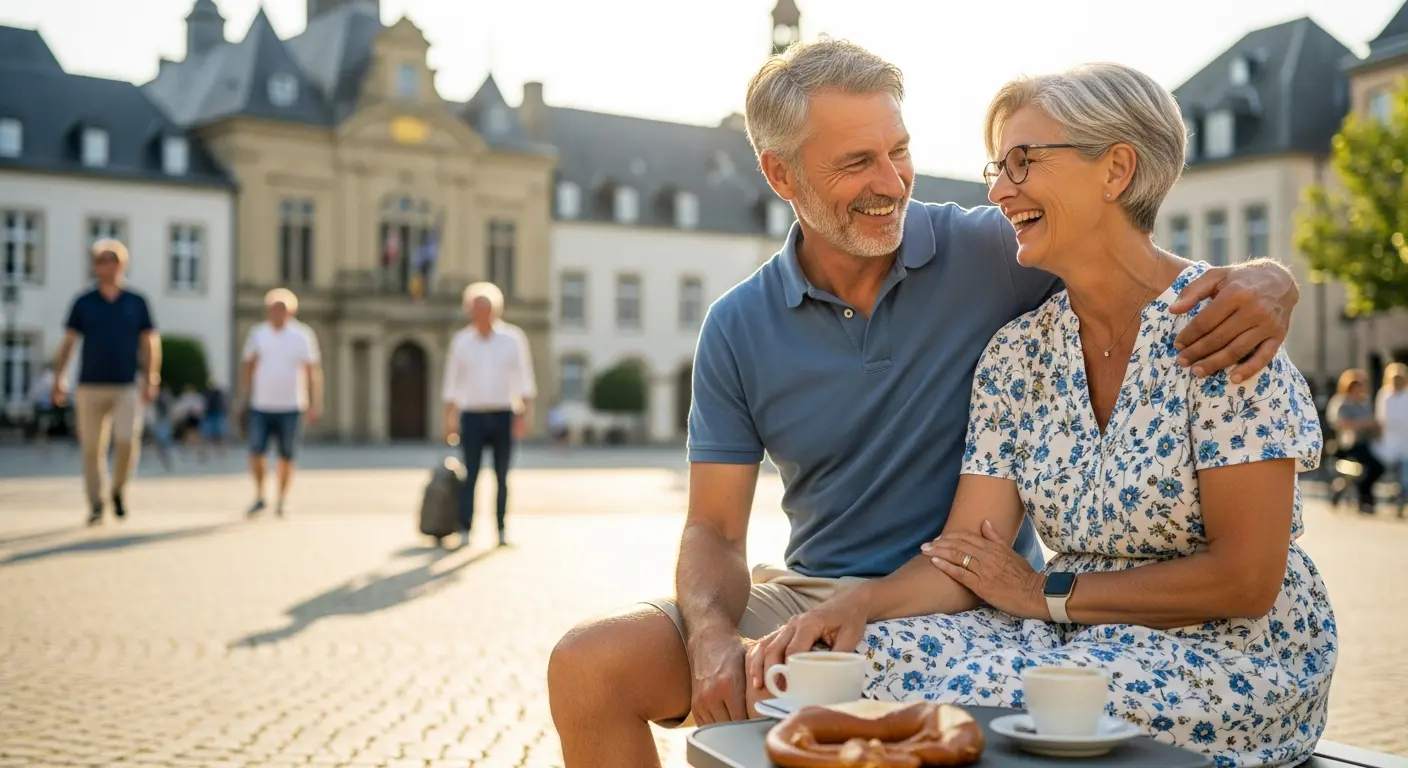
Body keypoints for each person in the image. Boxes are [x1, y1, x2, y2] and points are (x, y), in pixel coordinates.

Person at [547, 40, 1305, 767]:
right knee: (591, 666)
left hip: (980, 605)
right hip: (829, 591)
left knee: (881, 690)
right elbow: (713, 528)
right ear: (781, 175)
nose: (893, 181)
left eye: (900, 150)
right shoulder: (740, 326)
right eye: (857, 162)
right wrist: (711, 636)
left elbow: (1124, 255)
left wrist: (1271, 280)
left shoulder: (999, 252)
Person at [746, 61, 1335, 768]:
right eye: (997, 167)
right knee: (855, 664)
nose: (999, 190)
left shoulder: (1223, 332)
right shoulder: (1017, 354)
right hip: (1072, 634)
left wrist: (1043, 591)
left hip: (1233, 652)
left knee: (1015, 702)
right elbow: (968, 551)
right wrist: (857, 605)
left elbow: (1246, 580)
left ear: (1115, 170)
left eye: (1023, 162)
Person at [50, 239, 161, 526]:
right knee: (91, 448)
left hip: (125, 385)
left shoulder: (136, 302)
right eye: (98, 261)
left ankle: (118, 490)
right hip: (90, 385)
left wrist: (151, 376)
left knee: (126, 441)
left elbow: (149, 341)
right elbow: (69, 342)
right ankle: (96, 503)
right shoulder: (84, 302)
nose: (102, 266)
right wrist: (59, 377)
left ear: (121, 264)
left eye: (108, 260)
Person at [441, 281, 536, 549]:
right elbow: (452, 384)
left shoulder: (512, 339)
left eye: (484, 308)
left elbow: (524, 380)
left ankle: (501, 529)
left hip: (503, 413)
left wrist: (525, 415)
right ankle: (465, 529)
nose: (479, 313)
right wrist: (449, 419)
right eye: (475, 308)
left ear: (495, 310)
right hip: (472, 415)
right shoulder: (462, 341)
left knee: (502, 475)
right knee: (469, 475)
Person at [238, 288, 322, 518]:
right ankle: (260, 494)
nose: (276, 313)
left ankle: (282, 498)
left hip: (291, 405)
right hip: (261, 404)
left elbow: (312, 371)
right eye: (273, 308)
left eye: (281, 309)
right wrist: (244, 395)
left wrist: (314, 402)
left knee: (287, 456)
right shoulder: (258, 334)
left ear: (291, 312)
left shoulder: (302, 335)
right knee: (256, 451)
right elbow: (248, 365)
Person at [1326, 369, 1384, 514]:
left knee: (1376, 468)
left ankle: (1361, 496)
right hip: (1347, 445)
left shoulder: (1364, 403)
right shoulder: (1341, 403)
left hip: (1364, 444)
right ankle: (1365, 500)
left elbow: (1373, 422)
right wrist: (1364, 424)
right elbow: (1342, 423)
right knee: (1362, 470)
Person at [1374, 362, 1408, 515]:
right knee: (1390, 471)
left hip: (1405, 439)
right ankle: (1394, 495)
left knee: (1404, 472)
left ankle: (1402, 499)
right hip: (1390, 438)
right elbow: (1380, 418)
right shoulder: (1384, 394)